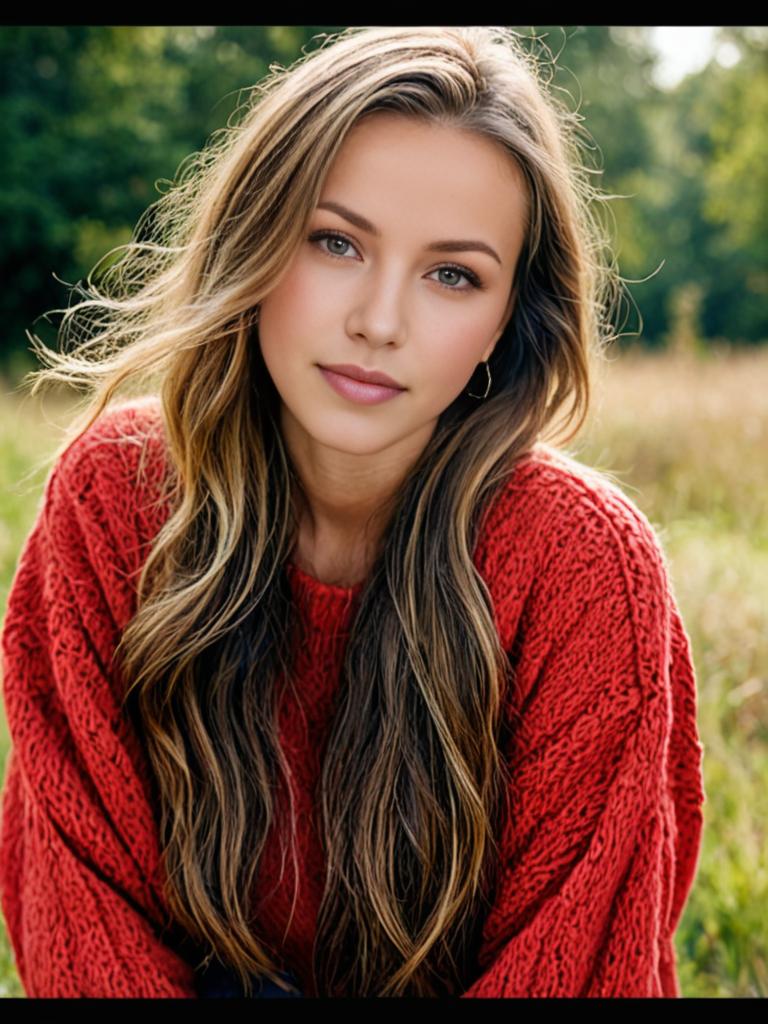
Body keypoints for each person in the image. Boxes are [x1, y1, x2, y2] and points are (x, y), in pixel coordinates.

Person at [0, 26, 705, 998]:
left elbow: (578, 965)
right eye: (335, 242)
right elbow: (81, 926)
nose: (379, 320)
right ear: (254, 240)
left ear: (510, 317)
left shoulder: (584, 562)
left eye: (452, 273)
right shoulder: (117, 494)